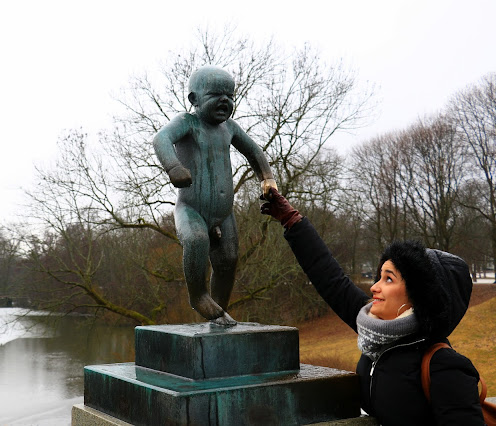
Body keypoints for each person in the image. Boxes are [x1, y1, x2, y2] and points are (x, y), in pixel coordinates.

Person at [260, 188, 485, 425]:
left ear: (419, 296)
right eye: (379, 276)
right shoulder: (378, 335)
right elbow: (330, 279)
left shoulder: (445, 368)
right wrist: (292, 220)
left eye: (388, 278)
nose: (374, 287)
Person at [153, 66, 277, 325]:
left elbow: (254, 152)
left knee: (228, 260)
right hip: (191, 209)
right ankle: (198, 296)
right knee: (197, 240)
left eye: (230, 96)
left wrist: (267, 178)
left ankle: (219, 311)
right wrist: (174, 167)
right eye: (215, 94)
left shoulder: (229, 128)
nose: (225, 101)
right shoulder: (187, 122)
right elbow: (161, 138)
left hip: (224, 214)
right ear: (194, 99)